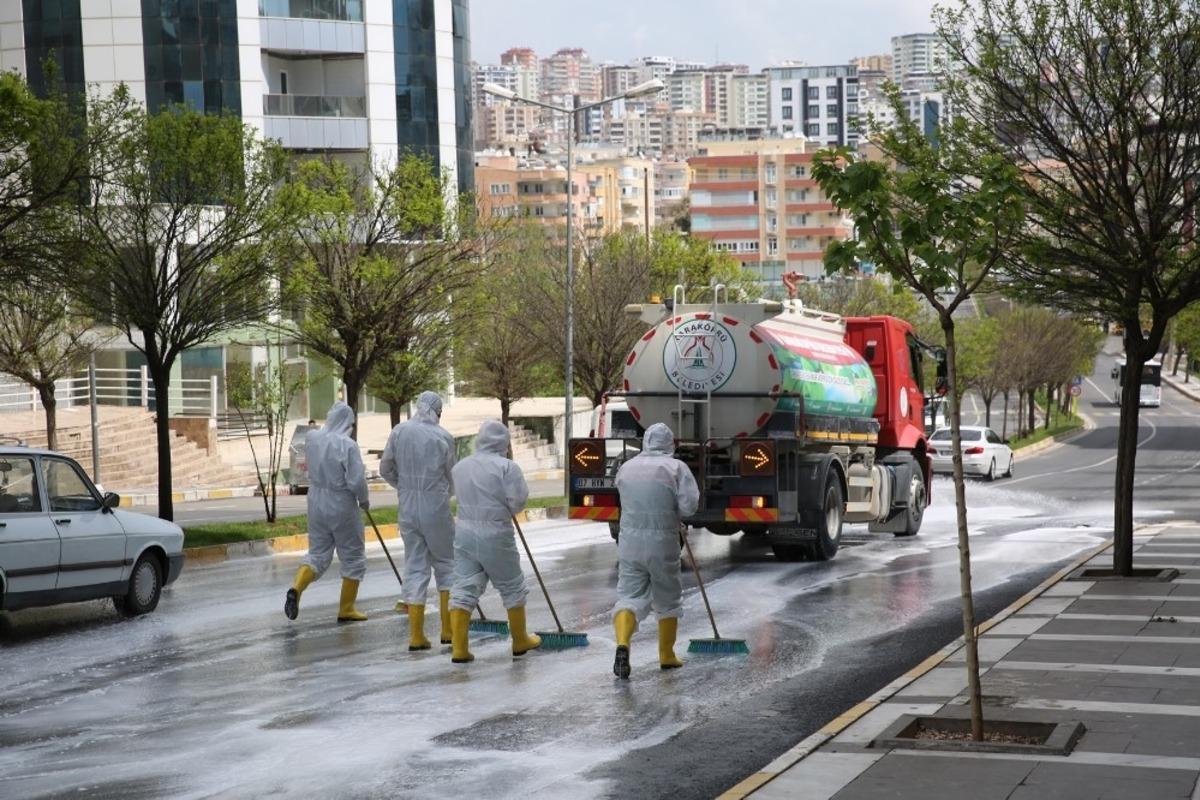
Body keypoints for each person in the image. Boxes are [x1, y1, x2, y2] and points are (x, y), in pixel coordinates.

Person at [447, 420, 541, 663]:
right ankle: (520, 640)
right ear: (504, 443)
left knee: (463, 588)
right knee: (511, 585)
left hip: (465, 533)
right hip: (496, 533)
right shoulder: (507, 467)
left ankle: (459, 648)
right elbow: (518, 502)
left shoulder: (461, 467)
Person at [611, 423, 699, 679]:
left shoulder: (626, 468)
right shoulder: (675, 468)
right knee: (667, 597)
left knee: (628, 595)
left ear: (646, 442)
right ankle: (666, 655)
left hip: (629, 541)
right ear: (670, 443)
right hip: (662, 540)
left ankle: (623, 644)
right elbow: (689, 506)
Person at [380, 391, 456, 651]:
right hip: (435, 506)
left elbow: (384, 468)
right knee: (446, 564)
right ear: (436, 410)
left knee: (414, 566)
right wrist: (444, 494)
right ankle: (448, 630)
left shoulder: (399, 431)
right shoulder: (443, 436)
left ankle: (416, 636)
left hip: (408, 507)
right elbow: (452, 476)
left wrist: (403, 486)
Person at [284, 401, 371, 623]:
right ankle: (347, 608)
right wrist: (364, 500)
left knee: (318, 553)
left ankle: (296, 588)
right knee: (353, 556)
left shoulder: (313, 438)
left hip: (316, 499)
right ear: (346, 422)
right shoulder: (347, 445)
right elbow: (356, 479)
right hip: (341, 501)